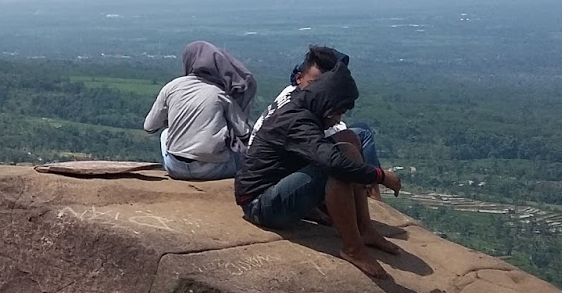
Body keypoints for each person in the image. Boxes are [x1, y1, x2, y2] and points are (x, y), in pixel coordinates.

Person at [235, 62, 404, 279]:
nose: (338, 119)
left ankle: (365, 229)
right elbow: (333, 163)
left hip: (278, 187)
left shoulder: (304, 105)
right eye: (338, 113)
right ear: (328, 105)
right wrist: (380, 176)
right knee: (338, 166)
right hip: (260, 204)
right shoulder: (297, 120)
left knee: (349, 142)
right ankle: (353, 248)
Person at [252, 45, 383, 191]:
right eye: (314, 83)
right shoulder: (298, 110)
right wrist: (379, 175)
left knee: (354, 136)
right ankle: (372, 194)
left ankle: (368, 192)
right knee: (349, 145)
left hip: (275, 157)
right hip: (274, 172)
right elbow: (327, 151)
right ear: (299, 78)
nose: (319, 88)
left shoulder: (295, 96)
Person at [143, 41, 258, 181]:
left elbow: (149, 127)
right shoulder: (219, 94)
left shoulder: (171, 88)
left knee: (166, 133)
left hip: (175, 168)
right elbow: (245, 132)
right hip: (213, 169)